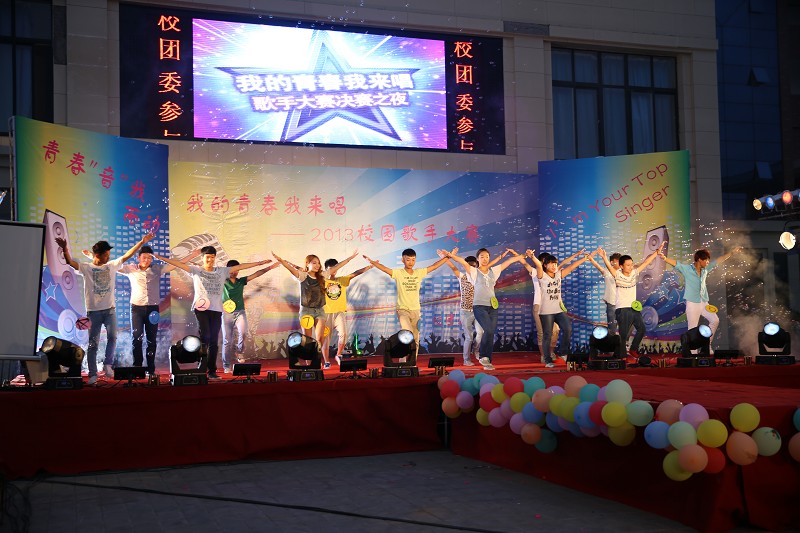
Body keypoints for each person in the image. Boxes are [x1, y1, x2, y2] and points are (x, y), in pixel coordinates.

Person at [155, 246, 269, 379]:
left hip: (216, 309)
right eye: (207, 257)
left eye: (212, 257)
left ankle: (211, 371)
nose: (210, 260)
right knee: (206, 336)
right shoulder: (196, 270)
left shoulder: (221, 272)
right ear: (203, 258)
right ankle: (202, 365)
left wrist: (259, 263)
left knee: (214, 340)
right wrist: (161, 258)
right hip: (201, 309)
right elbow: (178, 264)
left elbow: (240, 267)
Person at [55, 233, 153, 385]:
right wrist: (65, 249)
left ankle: (108, 365)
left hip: (110, 311)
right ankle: (93, 374)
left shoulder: (111, 265)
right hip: (93, 312)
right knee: (93, 344)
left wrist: (141, 242)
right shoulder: (87, 268)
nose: (108, 257)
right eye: (106, 255)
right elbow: (70, 262)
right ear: (97, 255)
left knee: (113, 337)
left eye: (109, 255)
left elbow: (127, 255)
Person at [438, 248, 523, 371]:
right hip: (470, 309)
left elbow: (503, 263)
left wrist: (523, 255)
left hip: (488, 307)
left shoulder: (489, 272)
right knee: (471, 336)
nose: (484, 259)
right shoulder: (467, 275)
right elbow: (458, 264)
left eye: (486, 257)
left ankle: (483, 357)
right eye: (481, 257)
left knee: (486, 332)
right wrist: (449, 256)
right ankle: (469, 358)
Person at [363, 248, 453, 360]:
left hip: (416, 310)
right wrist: (372, 262)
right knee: (407, 334)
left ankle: (412, 363)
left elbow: (434, 266)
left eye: (413, 260)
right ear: (403, 260)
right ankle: (402, 360)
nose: (410, 262)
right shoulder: (398, 273)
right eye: (408, 259)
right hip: (402, 310)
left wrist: (448, 257)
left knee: (415, 338)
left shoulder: (419, 272)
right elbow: (385, 269)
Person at [659, 245, 742, 352]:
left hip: (704, 302)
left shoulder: (705, 269)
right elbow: (676, 263)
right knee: (692, 328)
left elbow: (718, 261)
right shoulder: (687, 269)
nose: (708, 262)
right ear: (699, 260)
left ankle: (707, 345)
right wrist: (665, 258)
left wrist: (731, 253)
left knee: (715, 320)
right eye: (706, 260)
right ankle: (693, 352)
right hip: (692, 303)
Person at [117, 245, 184, 375]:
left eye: (149, 258)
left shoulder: (157, 269)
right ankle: (137, 367)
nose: (146, 260)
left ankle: (151, 368)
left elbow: (177, 265)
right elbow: (113, 266)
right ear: (138, 258)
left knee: (151, 339)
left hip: (153, 309)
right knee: (136, 338)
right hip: (136, 309)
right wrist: (93, 258)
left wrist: (192, 255)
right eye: (144, 257)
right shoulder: (130, 269)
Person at [525, 248, 591, 368]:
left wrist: (584, 258)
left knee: (567, 329)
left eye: (555, 264)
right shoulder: (542, 275)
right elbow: (538, 265)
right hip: (546, 312)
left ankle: (563, 352)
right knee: (547, 335)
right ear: (545, 265)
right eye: (551, 264)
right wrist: (532, 256)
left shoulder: (559, 274)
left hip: (558, 310)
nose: (554, 266)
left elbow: (571, 266)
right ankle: (547, 360)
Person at [598, 243, 665, 359]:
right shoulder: (617, 275)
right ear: (621, 266)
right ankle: (622, 357)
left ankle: (633, 349)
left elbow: (646, 262)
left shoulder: (634, 273)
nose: (630, 267)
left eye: (631, 264)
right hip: (622, 308)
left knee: (642, 329)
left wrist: (656, 253)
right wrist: (604, 257)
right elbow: (609, 267)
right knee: (623, 334)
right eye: (628, 265)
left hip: (633, 307)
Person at [272, 252, 331, 368]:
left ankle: (316, 360)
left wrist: (350, 258)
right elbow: (291, 269)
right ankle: (309, 363)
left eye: (318, 263)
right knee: (307, 340)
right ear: (307, 264)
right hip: (306, 311)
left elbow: (335, 268)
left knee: (320, 338)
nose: (317, 265)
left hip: (319, 310)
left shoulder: (322, 276)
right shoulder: (303, 276)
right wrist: (281, 261)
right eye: (314, 263)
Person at [221, 259, 279, 373]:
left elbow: (256, 274)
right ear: (227, 270)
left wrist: (269, 267)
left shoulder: (241, 281)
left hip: (240, 312)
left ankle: (239, 352)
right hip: (227, 313)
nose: (234, 272)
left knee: (243, 332)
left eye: (237, 270)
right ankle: (226, 366)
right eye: (232, 269)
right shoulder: (222, 281)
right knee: (227, 340)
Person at [321, 251, 372, 365]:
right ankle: (326, 361)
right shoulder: (322, 281)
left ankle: (338, 354)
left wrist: (369, 266)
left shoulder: (341, 280)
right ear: (326, 270)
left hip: (339, 313)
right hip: (326, 313)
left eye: (335, 268)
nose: (333, 271)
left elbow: (355, 273)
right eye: (331, 269)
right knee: (325, 339)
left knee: (343, 335)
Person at [585, 250, 621, 335]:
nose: (620, 262)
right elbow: (598, 267)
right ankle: (612, 343)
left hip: (622, 304)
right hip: (611, 304)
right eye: (617, 261)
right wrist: (591, 259)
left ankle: (624, 341)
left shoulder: (624, 273)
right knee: (612, 329)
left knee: (628, 325)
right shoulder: (607, 273)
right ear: (611, 262)